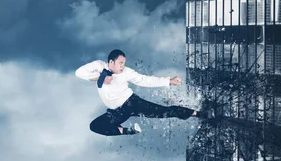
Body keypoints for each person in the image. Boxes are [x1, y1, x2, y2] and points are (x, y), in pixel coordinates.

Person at [75, 49, 211, 136]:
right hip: (116, 112)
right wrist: (101, 78)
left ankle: (198, 113)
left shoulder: (127, 72)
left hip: (132, 103)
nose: (123, 66)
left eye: (124, 63)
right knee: (95, 126)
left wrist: (168, 81)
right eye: (120, 63)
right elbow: (79, 73)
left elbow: (145, 80)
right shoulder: (99, 66)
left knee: (164, 112)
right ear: (111, 62)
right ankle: (129, 131)